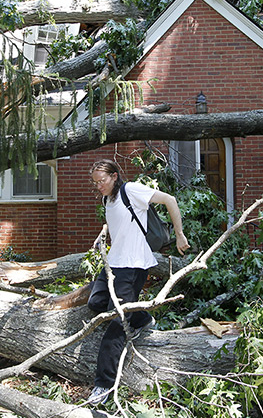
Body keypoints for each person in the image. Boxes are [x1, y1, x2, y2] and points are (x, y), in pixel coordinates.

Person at [87, 159, 190, 405]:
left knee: (116, 323)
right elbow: (116, 221)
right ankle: (143, 318)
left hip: (133, 266)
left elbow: (170, 200)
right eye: (96, 183)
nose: (99, 186)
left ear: (114, 176)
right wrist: (102, 235)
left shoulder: (130, 190)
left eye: (102, 181)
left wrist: (179, 234)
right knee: (96, 302)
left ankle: (103, 385)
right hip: (113, 263)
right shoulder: (108, 199)